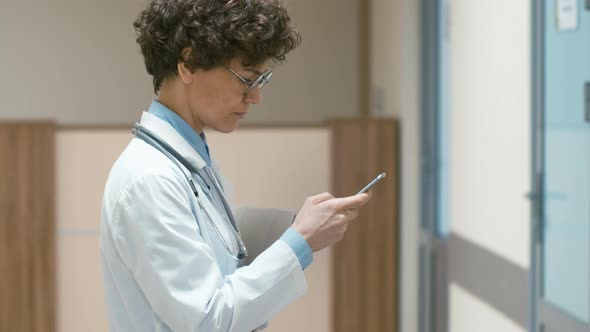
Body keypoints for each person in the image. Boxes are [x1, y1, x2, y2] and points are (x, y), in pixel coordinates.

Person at [99, 0, 371, 331]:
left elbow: (219, 248)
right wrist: (301, 242)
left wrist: (296, 225)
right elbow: (208, 320)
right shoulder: (148, 180)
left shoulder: (189, 158)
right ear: (188, 65)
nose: (255, 97)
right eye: (246, 79)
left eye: (261, 80)